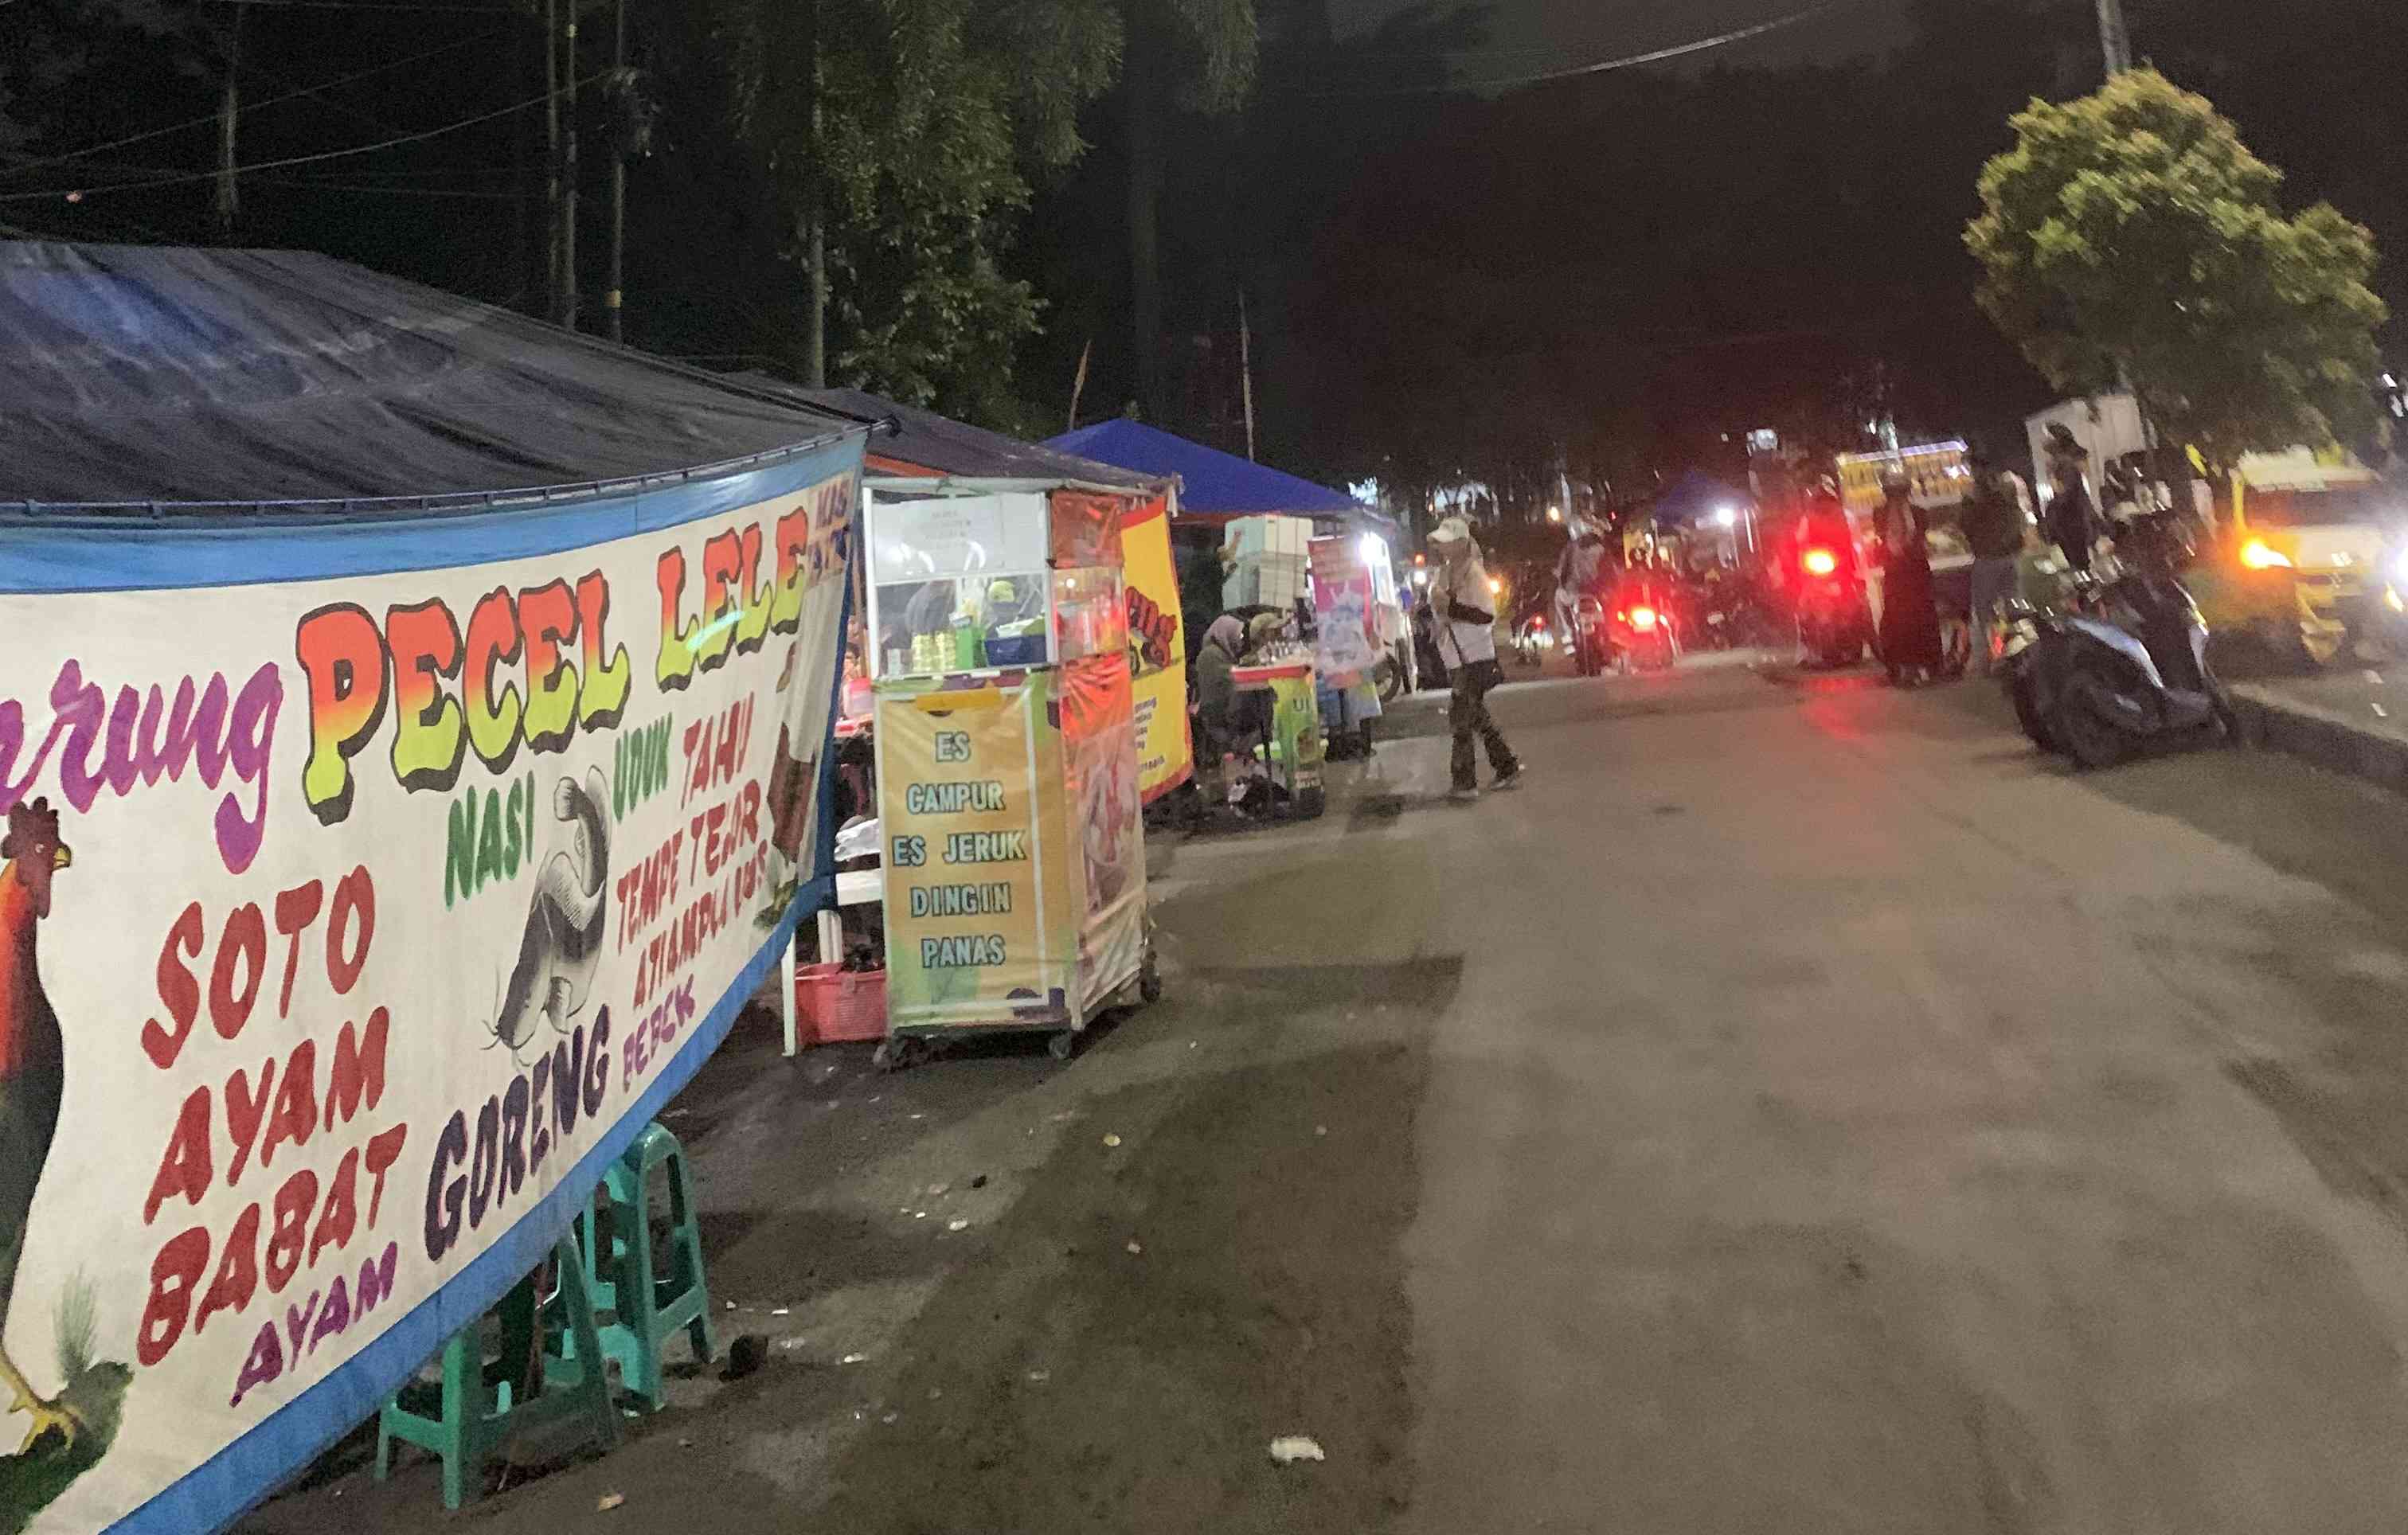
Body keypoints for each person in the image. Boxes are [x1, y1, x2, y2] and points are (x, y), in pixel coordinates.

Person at [1427, 516, 1523, 800]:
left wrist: (1451, 608)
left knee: (1461, 720)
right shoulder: (1446, 573)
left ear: (1460, 543)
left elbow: (1485, 615)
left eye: (1447, 543)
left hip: (1473, 657)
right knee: (1475, 715)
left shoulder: (1473, 574)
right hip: (1458, 658)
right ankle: (1506, 766)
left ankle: (1465, 782)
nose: (1442, 549)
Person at [1874, 467, 1944, 685]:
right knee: (1896, 621)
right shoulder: (1881, 514)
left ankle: (1929, 665)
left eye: (1899, 493)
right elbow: (1884, 540)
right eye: (1892, 493)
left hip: (1916, 576)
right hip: (1896, 576)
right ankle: (1898, 666)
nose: (1896, 497)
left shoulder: (1919, 514)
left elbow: (1918, 541)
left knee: (1922, 619)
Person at [1959, 452, 2027, 674]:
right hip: (2012, 557)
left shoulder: (1974, 493)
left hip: (1988, 559)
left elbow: (1966, 524)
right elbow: (2019, 518)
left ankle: (1988, 662)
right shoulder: (2009, 488)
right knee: (2014, 608)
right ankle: (2021, 654)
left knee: (1983, 614)